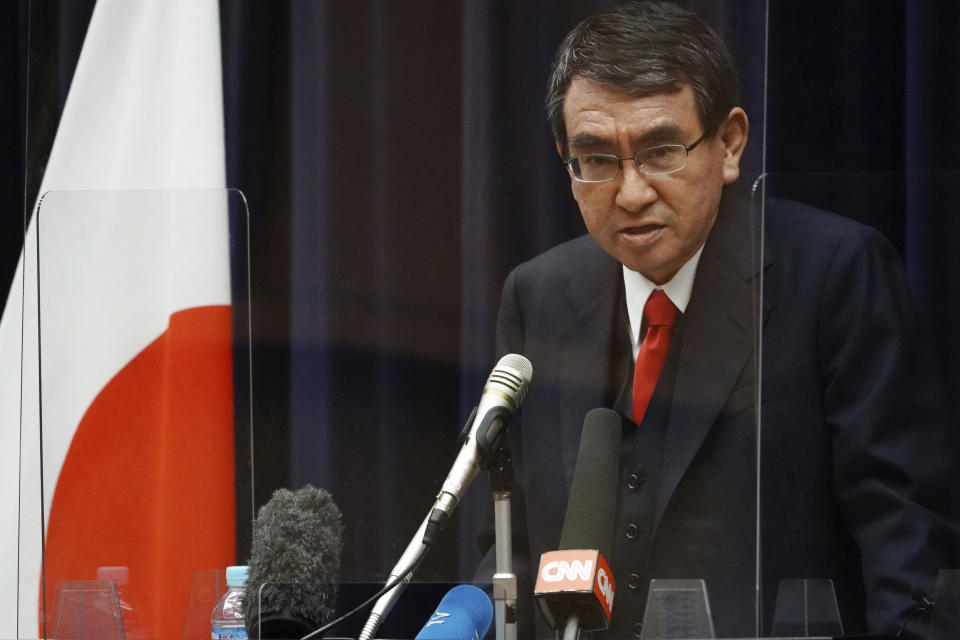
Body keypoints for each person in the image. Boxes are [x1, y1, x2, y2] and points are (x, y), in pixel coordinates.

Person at [487, 2, 960, 638]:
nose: (630, 192)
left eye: (660, 150)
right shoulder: (539, 293)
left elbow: (906, 539)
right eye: (596, 159)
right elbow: (508, 541)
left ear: (730, 143)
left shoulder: (834, 274)